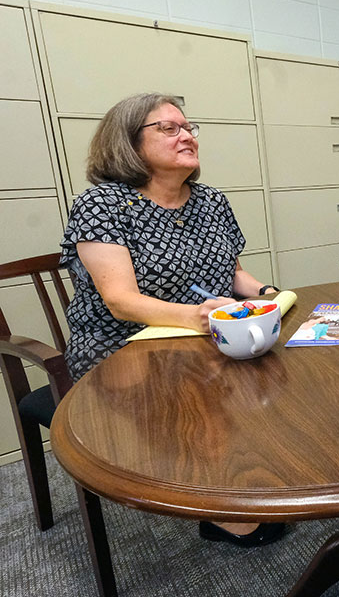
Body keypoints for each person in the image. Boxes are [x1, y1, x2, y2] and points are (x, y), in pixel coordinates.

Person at [60, 93, 284, 549]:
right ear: (128, 143)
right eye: (168, 128)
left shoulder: (211, 201)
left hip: (204, 334)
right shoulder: (102, 204)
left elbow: (233, 271)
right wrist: (205, 318)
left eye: (188, 127)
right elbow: (121, 302)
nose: (186, 135)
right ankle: (219, 503)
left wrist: (267, 294)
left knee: (281, 371)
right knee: (209, 389)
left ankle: (247, 475)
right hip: (124, 346)